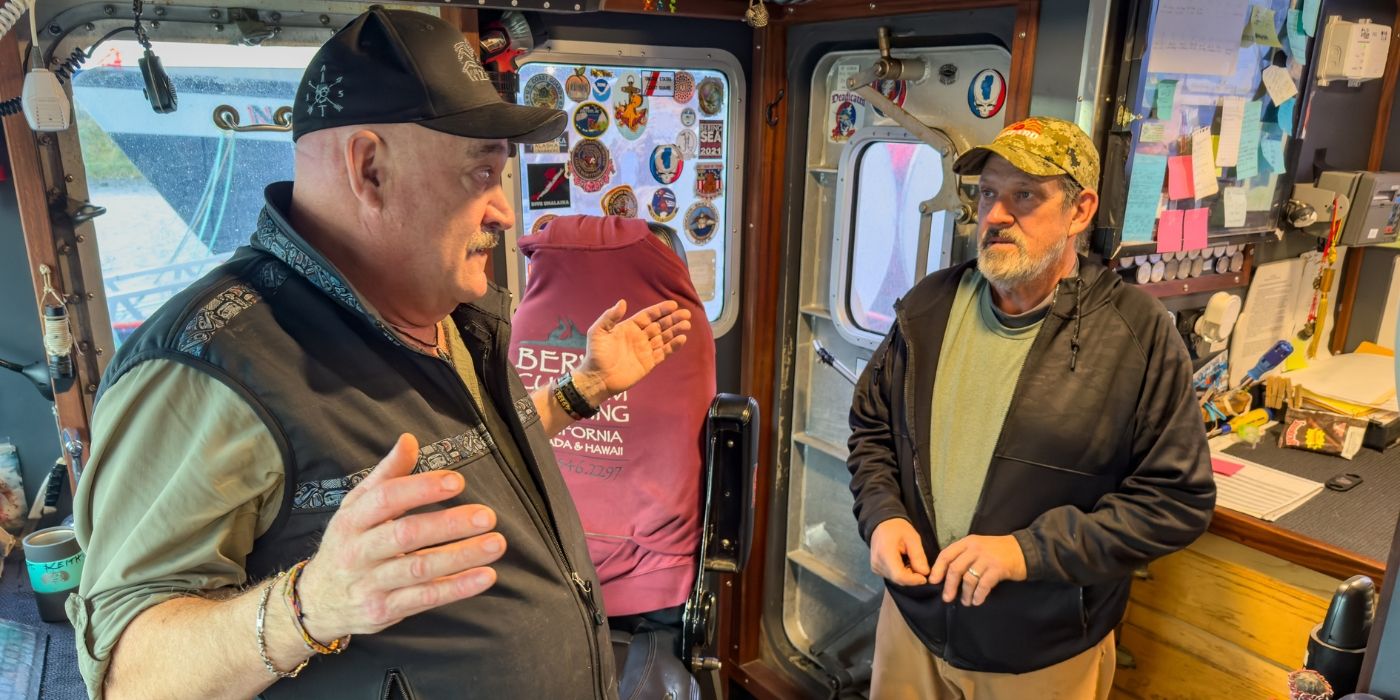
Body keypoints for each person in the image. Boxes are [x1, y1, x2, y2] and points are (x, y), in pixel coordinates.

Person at [68, 10, 690, 699]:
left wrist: (585, 388)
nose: (504, 211)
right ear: (369, 168)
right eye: (481, 174)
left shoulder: (442, 311)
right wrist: (310, 608)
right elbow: (128, 676)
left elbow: (464, 456)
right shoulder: (206, 367)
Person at [846, 116, 1216, 699]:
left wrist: (1029, 552)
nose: (995, 215)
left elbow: (1176, 501)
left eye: (1024, 196)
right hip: (914, 623)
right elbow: (872, 428)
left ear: (1079, 211)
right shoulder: (928, 306)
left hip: (1041, 650)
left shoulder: (1137, 334)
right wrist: (883, 515)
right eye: (987, 193)